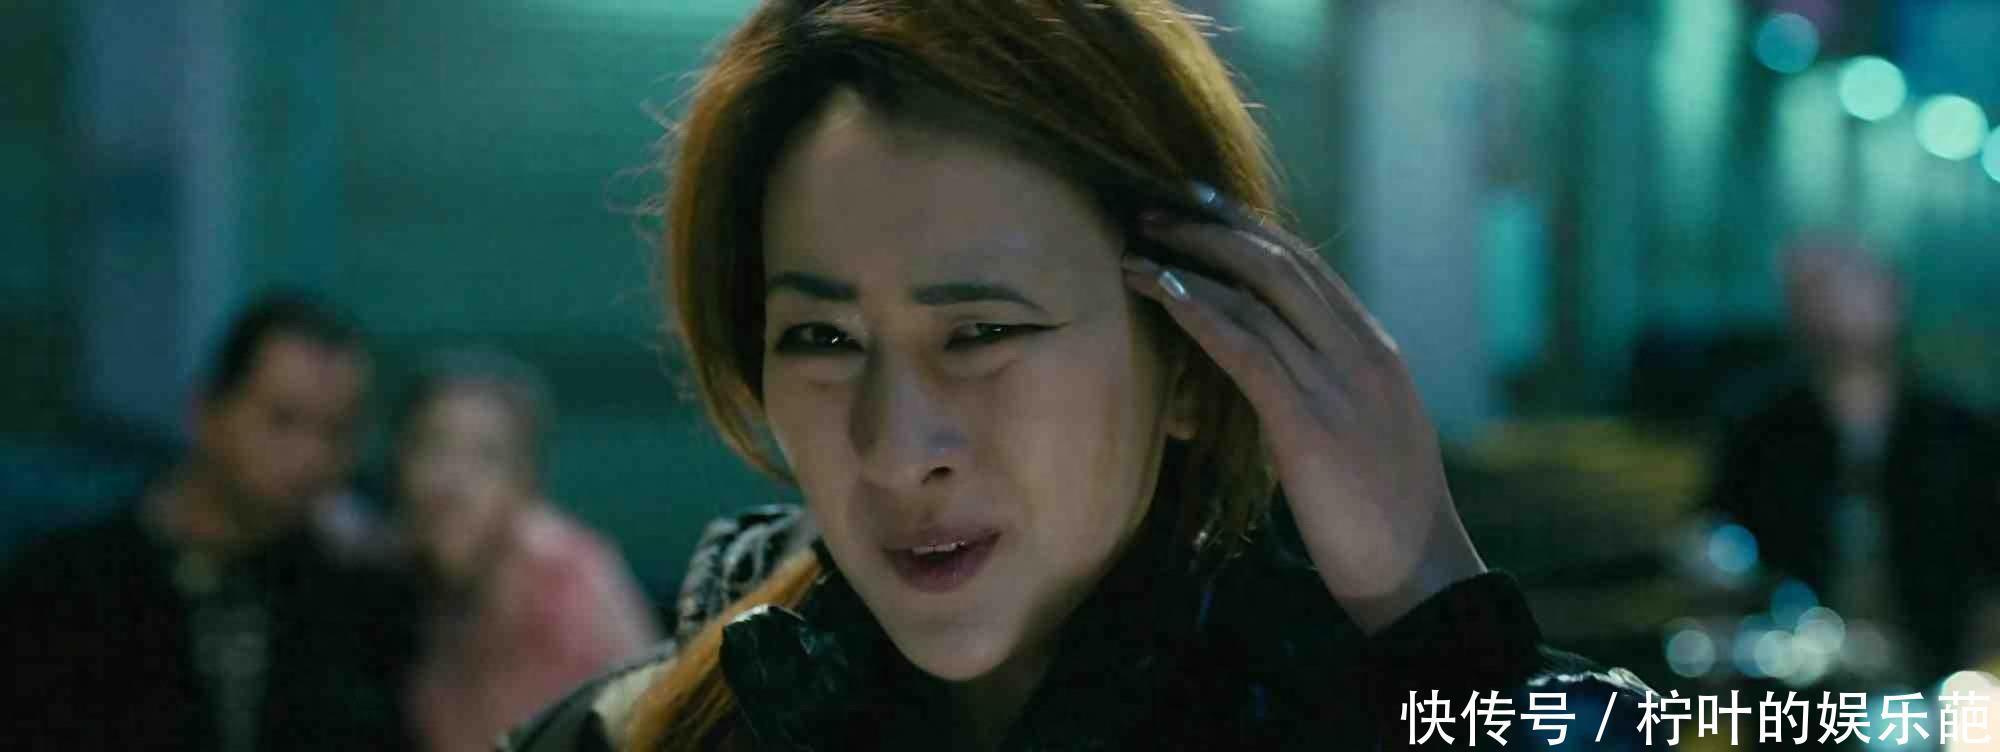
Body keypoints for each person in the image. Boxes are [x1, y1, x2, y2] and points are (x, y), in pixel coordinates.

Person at [506, 2, 1655, 750]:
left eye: (979, 332)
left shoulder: (1368, 706)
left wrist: (1430, 608)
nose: (896, 449)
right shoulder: (644, 728)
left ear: (1192, 357)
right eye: (821, 339)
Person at [0, 292, 419, 752]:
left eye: (336, 432)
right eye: (282, 421)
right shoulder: (70, 584)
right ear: (206, 413)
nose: (311, 457)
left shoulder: (353, 599)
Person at [1706, 243, 2000, 688]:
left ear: (1892, 293)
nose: (1833, 307)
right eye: (1814, 291)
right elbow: (1716, 536)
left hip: (1936, 672)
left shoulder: (1959, 431)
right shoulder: (1760, 428)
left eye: (1850, 285)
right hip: (1794, 678)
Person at [394, 349, 661, 752]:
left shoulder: (569, 582)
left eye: (487, 457)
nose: (451, 481)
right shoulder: (385, 579)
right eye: (433, 446)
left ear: (527, 482)